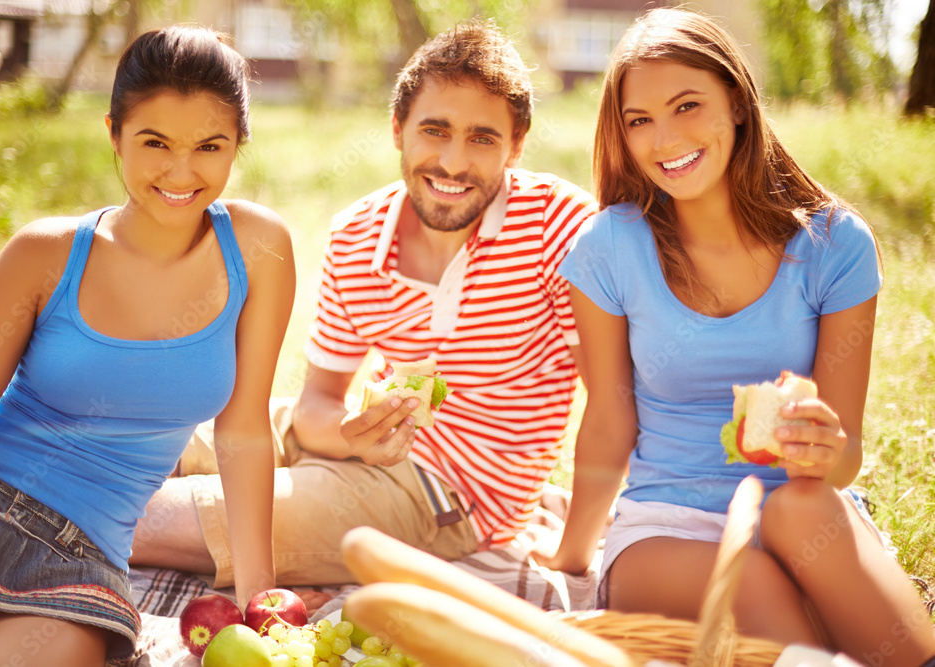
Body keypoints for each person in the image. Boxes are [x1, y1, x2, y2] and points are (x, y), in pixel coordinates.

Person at [129, 18, 599, 588]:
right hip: (348, 436)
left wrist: (573, 556)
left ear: (516, 146)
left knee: (145, 517)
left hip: (446, 496)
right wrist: (353, 432)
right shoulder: (356, 232)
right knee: (130, 440)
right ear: (398, 128)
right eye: (435, 129)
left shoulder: (560, 226)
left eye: (482, 137)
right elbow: (316, 406)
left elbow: (611, 402)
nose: (452, 162)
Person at [533, 7, 935, 666]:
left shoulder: (835, 245)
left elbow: (845, 456)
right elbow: (608, 417)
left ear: (738, 104)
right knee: (752, 580)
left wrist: (822, 450)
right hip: (664, 527)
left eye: (688, 106)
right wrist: (573, 560)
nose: (665, 139)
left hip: (799, 503)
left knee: (802, 511)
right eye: (640, 120)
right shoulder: (610, 246)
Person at [0, 26, 294, 665]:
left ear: (238, 144)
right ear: (113, 134)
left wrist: (261, 600)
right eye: (154, 142)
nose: (180, 172)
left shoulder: (259, 250)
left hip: (82, 560)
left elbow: (242, 434)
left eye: (209, 146)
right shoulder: (45, 254)